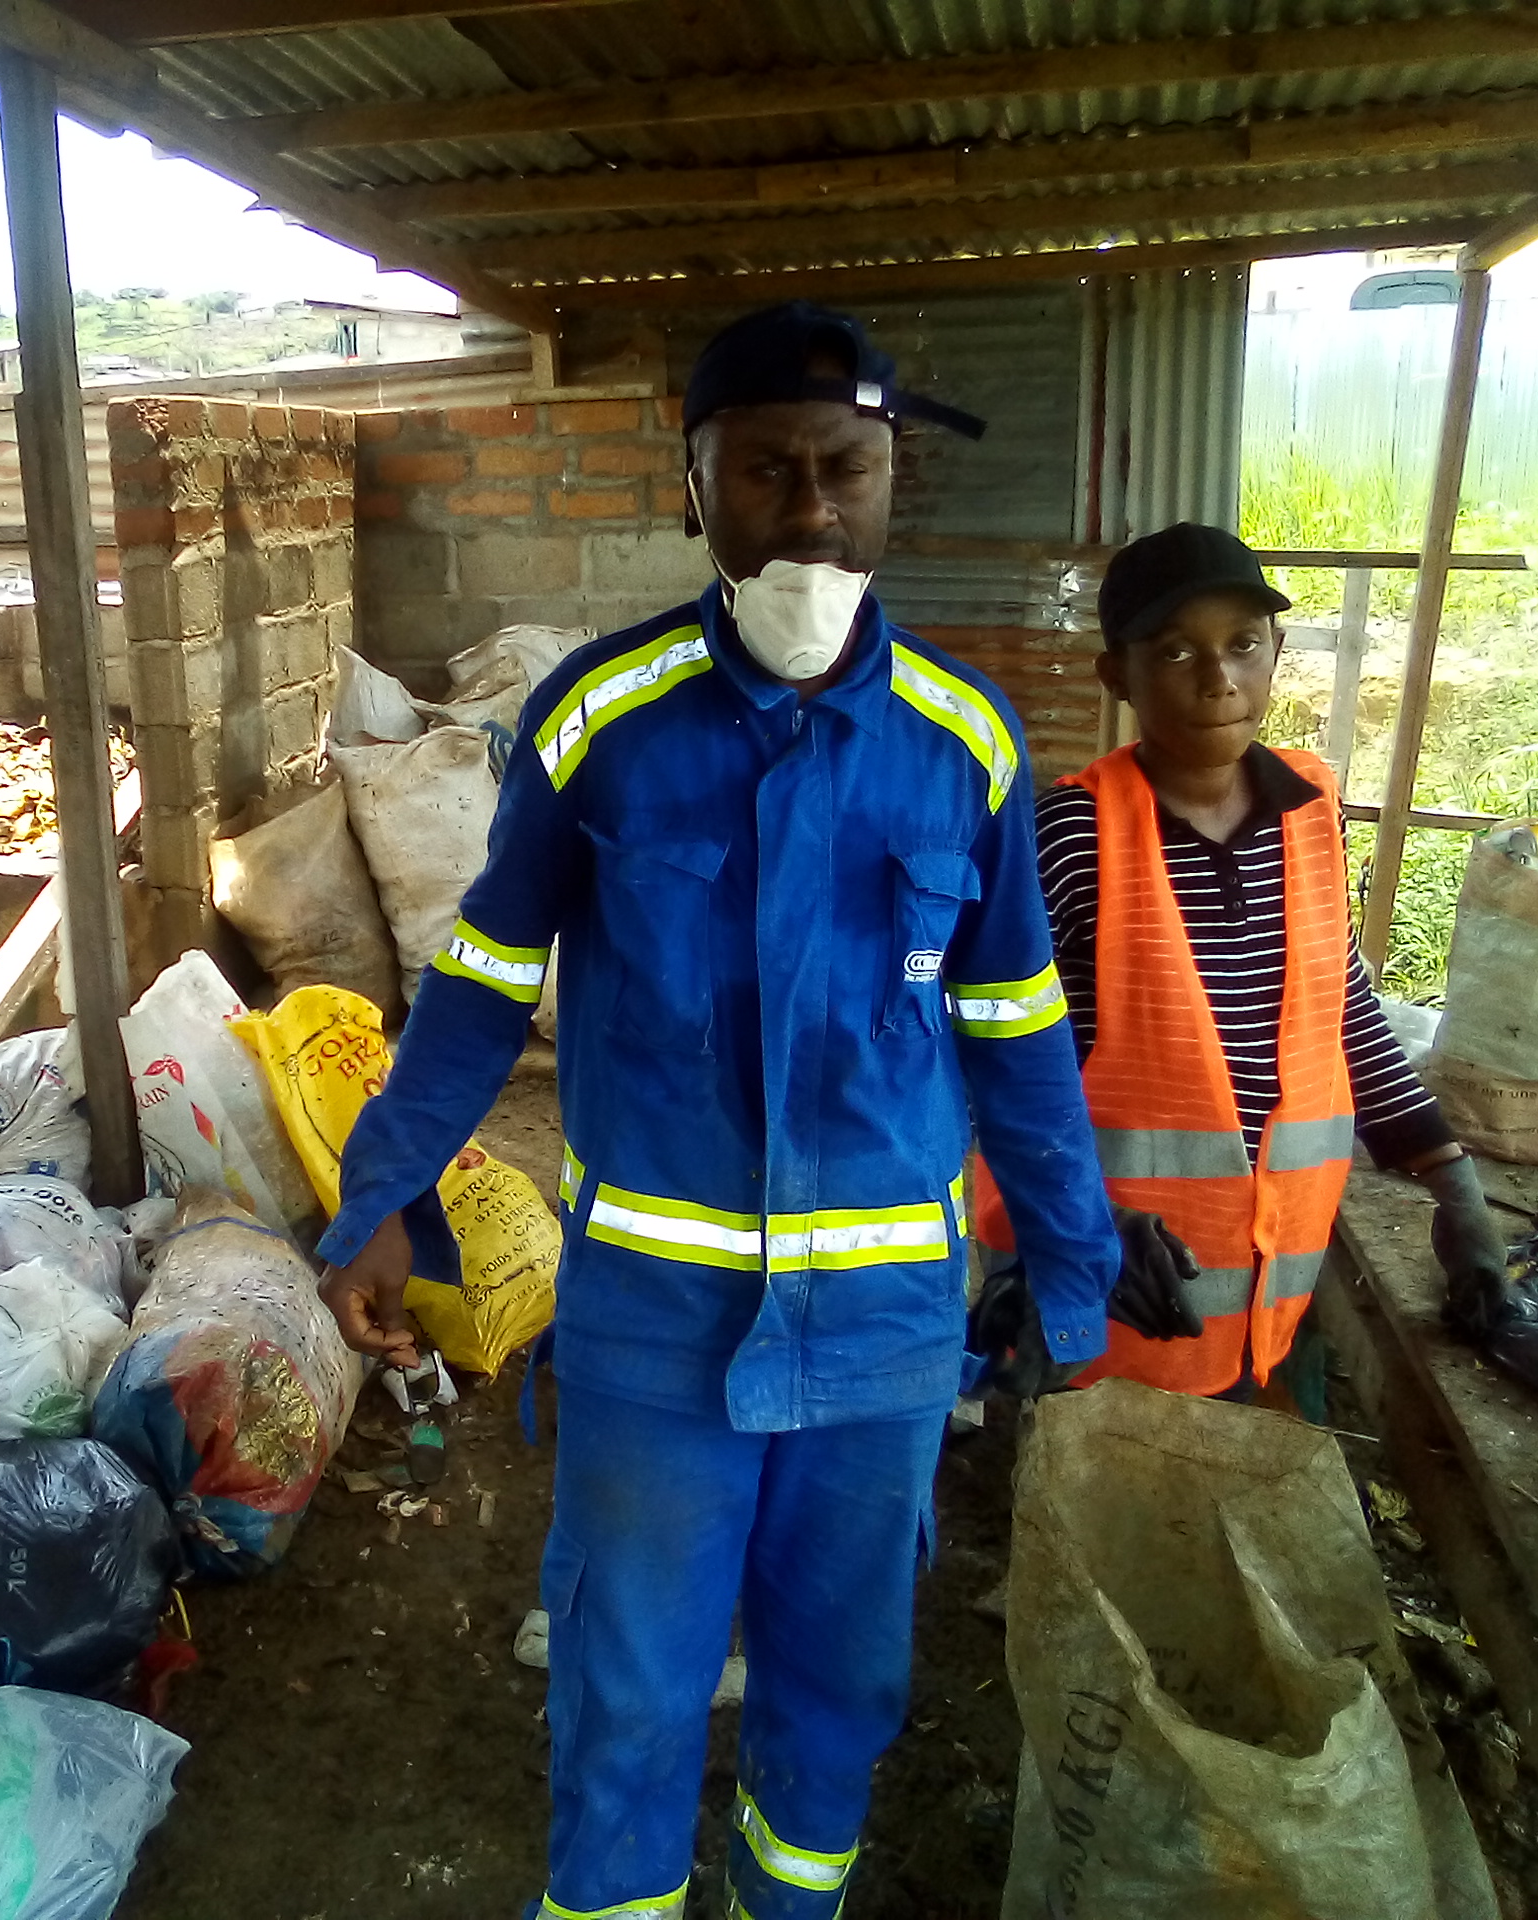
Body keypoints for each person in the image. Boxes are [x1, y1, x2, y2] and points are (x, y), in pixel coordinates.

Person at [313, 302, 1124, 1920]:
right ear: (694, 488)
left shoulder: (963, 744)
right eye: (768, 473)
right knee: (627, 1689)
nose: (813, 516)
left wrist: (1076, 1272)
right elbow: (478, 985)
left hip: (884, 1340)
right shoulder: (600, 725)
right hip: (654, 1343)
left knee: (841, 1697)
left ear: (893, 489)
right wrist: (386, 1196)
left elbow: (1021, 1035)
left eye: (849, 472)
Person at [973, 523, 1511, 1397]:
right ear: (1119, 676)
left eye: (1242, 645)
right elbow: (1012, 1066)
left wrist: (1452, 1181)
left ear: (1276, 651)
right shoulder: (1074, 834)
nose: (1219, 677)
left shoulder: (1310, 813)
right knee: (1103, 1490)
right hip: (1112, 1279)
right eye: (1176, 650)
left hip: (1270, 1283)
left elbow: (1343, 1013)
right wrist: (1078, 1223)